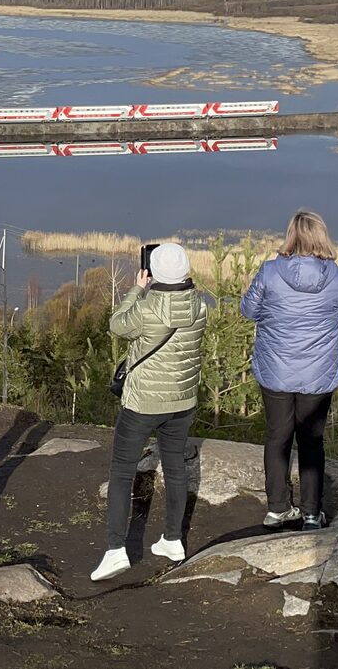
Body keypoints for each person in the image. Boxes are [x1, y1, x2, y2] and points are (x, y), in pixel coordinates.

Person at [92, 242, 209, 582]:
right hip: (182, 403)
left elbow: (116, 324)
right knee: (174, 468)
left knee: (122, 472)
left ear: (155, 272)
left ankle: (116, 551)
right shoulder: (201, 307)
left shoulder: (146, 309)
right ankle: (173, 540)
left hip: (142, 404)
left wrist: (137, 289)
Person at [241, 210, 338, 531]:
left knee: (277, 436)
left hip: (275, 369)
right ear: (321, 236)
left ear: (291, 235)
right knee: (311, 441)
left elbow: (248, 310)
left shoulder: (270, 271)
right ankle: (310, 513)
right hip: (318, 375)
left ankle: (277, 509)